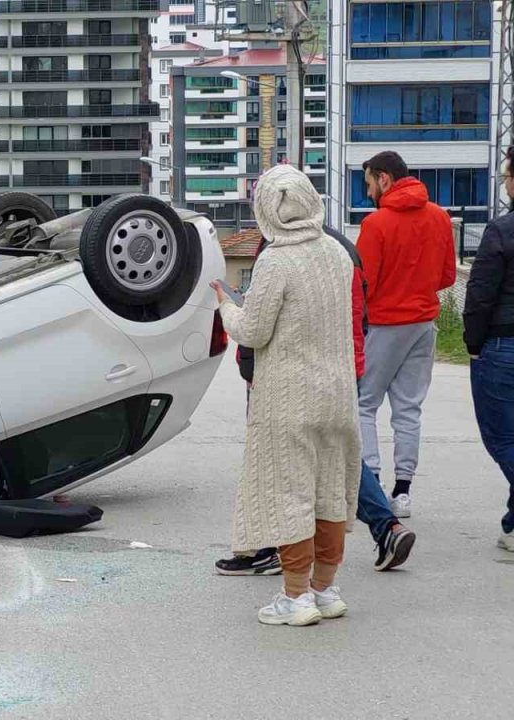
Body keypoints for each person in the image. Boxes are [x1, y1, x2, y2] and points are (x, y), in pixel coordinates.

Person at [215, 226, 417, 576]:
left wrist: (229, 311)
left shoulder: (278, 252)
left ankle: (273, 557)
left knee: (280, 467)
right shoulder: (341, 250)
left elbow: (259, 327)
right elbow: (358, 314)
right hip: (342, 367)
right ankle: (381, 532)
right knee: (335, 459)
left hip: (287, 377)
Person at [212, 165, 361, 626]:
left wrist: (225, 304)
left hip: (290, 398)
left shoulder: (275, 260)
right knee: (330, 492)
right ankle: (325, 590)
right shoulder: (337, 253)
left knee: (289, 494)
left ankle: (295, 598)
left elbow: (254, 330)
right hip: (338, 393)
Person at [355, 151, 457, 518]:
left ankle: (371, 481)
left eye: (369, 183)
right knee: (408, 408)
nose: (368, 193)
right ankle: (403, 490)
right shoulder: (440, 217)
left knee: (365, 403)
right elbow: (447, 276)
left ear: (384, 179)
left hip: (384, 323)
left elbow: (364, 283)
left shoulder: (377, 223)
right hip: (423, 323)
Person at [464, 145, 514, 552]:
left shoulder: (501, 230)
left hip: (502, 342)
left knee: (501, 436)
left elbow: (480, 294)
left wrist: (474, 345)